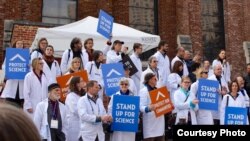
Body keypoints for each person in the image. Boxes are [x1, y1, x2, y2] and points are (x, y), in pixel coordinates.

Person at [139, 73, 165, 141]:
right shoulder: (143, 91)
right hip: (150, 122)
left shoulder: (159, 89)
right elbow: (141, 106)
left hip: (159, 122)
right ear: (150, 80)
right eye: (155, 78)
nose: (156, 80)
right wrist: (148, 108)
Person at [1, 40, 25, 107]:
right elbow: (4, 66)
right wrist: (7, 72)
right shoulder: (10, 54)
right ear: (15, 45)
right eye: (18, 43)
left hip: (22, 81)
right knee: (10, 101)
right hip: (12, 80)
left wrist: (28, 67)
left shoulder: (27, 55)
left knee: (20, 100)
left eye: (21, 43)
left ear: (23, 46)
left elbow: (29, 66)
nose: (20, 45)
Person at [65, 76, 86, 141]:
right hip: (74, 124)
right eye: (82, 81)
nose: (84, 82)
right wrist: (86, 113)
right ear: (77, 84)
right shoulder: (70, 96)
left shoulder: (83, 95)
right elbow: (75, 110)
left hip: (82, 124)